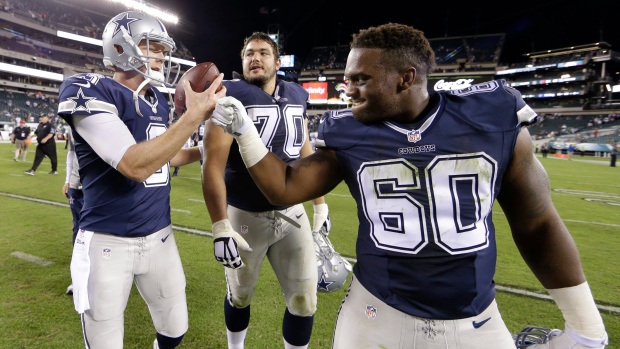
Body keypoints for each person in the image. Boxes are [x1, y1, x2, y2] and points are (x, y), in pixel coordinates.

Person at [210, 23, 608, 349]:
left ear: (407, 78)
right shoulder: (347, 132)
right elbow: (283, 188)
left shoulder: (491, 117)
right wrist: (245, 130)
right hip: (373, 311)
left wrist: (585, 328)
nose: (347, 89)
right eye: (348, 78)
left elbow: (537, 223)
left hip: (475, 321)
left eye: (361, 79)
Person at [56, 10, 225, 349]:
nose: (162, 56)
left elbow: (165, 154)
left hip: (159, 236)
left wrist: (208, 152)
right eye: (153, 46)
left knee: (175, 330)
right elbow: (134, 165)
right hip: (107, 241)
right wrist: (193, 117)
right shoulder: (89, 89)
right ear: (120, 48)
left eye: (164, 48)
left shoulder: (156, 100)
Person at [202, 32, 330, 349]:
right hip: (245, 216)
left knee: (304, 300)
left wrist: (320, 205)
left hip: (292, 214)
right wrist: (220, 225)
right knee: (240, 296)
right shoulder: (228, 95)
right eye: (248, 53)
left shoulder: (297, 94)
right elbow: (212, 165)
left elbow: (303, 149)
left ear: (277, 61)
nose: (255, 58)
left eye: (262, 52)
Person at [62, 126, 82, 295]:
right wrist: (68, 180)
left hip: (99, 187)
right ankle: (79, 280)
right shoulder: (71, 125)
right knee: (78, 231)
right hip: (77, 186)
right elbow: (71, 153)